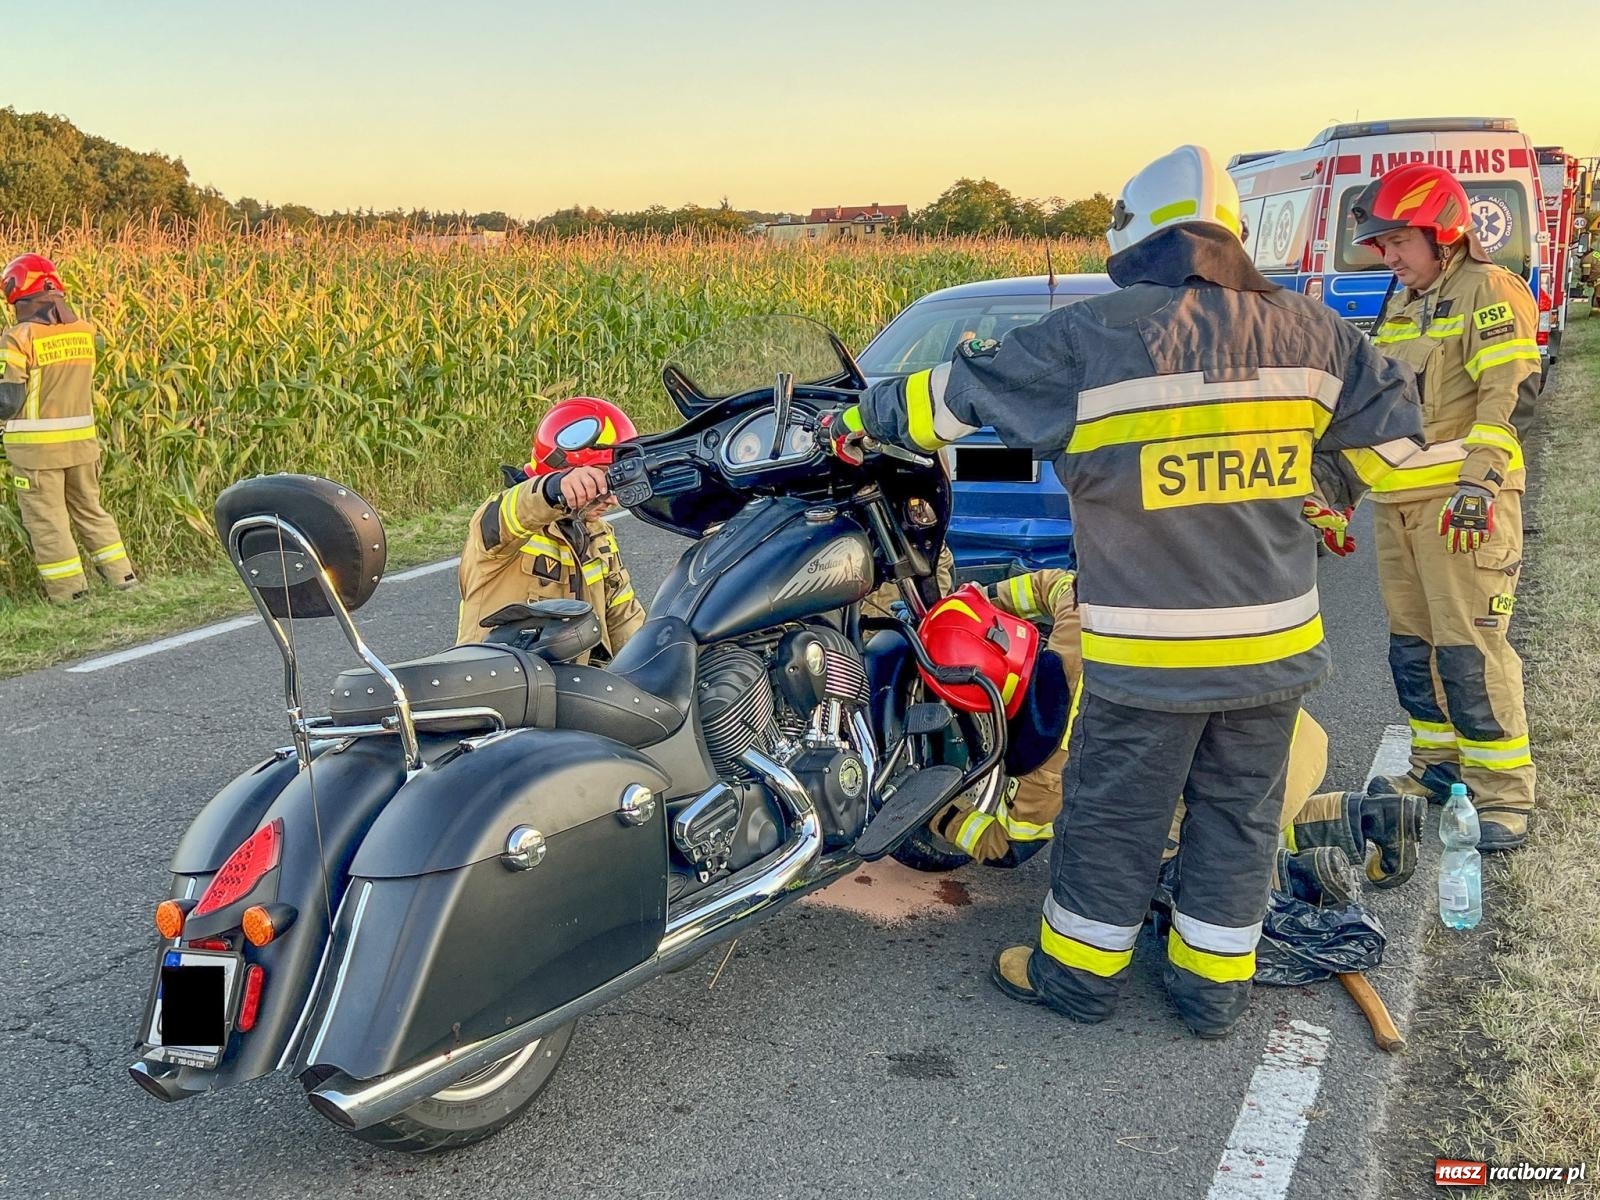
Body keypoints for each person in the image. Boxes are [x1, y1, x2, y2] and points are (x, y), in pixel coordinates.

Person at [828, 145, 1423, 1037]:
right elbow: (1389, 453)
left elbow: (947, 402)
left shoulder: (1095, 335)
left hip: (1151, 660)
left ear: (1135, 235)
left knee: (1113, 822)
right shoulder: (1316, 332)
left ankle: (1075, 979)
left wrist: (849, 423)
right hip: (1273, 651)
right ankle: (1210, 992)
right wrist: (1315, 486)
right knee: (1237, 821)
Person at [928, 567, 1423, 899]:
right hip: (1282, 738)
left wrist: (938, 814)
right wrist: (988, 598)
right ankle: (1369, 818)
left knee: (1145, 876)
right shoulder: (1074, 631)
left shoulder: (1042, 764)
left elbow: (1009, 846)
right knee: (1246, 815)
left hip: (1235, 773)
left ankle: (1295, 880)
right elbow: (1059, 583)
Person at [1349, 165, 1540, 850]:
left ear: (1443, 232)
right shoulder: (1400, 305)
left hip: (1461, 504)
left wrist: (1480, 482)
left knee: (1469, 650)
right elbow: (1375, 409)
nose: (1389, 257)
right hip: (1398, 505)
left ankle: (1502, 796)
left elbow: (1505, 396)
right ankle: (1435, 767)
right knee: (1414, 650)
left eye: (1399, 241)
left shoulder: (1489, 291)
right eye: (1383, 245)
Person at [456, 396, 645, 657]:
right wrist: (553, 488)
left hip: (569, 689)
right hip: (498, 686)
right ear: (568, 471)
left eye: (617, 484)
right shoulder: (497, 525)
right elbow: (518, 507)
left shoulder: (598, 534)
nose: (612, 499)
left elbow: (624, 619)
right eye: (601, 484)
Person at [1, 253, 137, 602]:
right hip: (82, 445)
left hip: (37, 453)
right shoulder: (84, 332)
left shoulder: (19, 337)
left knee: (48, 521)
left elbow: (7, 401)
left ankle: (70, 594)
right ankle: (123, 577)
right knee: (90, 510)